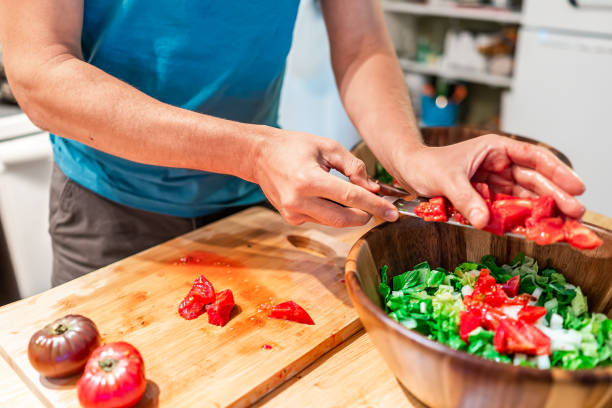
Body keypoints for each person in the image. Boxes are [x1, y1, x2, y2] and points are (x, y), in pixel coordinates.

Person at [0, 1, 585, 286]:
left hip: (253, 207)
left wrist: (413, 158)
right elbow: (39, 72)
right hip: (111, 210)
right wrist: (251, 151)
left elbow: (359, 42)